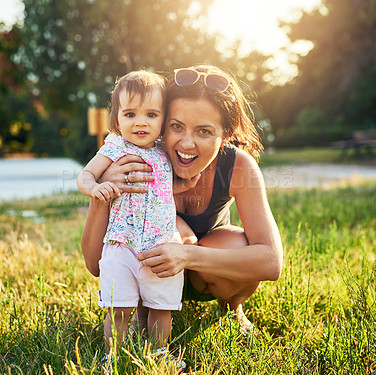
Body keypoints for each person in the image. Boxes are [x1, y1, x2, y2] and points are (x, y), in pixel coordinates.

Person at [80, 65, 283, 337]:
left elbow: (271, 262)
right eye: (176, 126)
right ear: (162, 122)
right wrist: (103, 194)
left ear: (226, 134)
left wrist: (186, 254)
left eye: (204, 131)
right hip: (148, 271)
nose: (186, 144)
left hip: (206, 274)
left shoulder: (237, 167)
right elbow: (95, 264)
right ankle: (143, 312)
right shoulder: (133, 161)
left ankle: (232, 309)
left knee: (231, 243)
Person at [77, 70, 188, 370]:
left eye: (151, 114)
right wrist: (96, 187)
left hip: (160, 244)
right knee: (118, 309)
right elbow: (84, 175)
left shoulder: (167, 147)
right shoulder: (115, 147)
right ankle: (113, 356)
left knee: (161, 308)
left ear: (163, 119)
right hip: (120, 245)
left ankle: (159, 353)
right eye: (130, 114)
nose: (140, 122)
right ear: (116, 119)